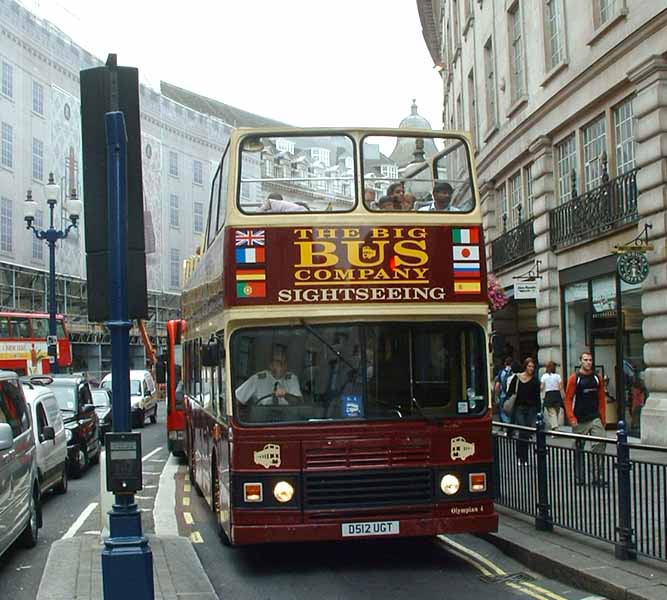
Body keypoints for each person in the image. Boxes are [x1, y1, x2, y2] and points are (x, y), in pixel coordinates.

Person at [564, 351, 607, 486]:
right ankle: (579, 477)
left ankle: (597, 476)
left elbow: (601, 399)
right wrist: (571, 417)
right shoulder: (574, 378)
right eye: (585, 360)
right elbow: (568, 399)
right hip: (579, 419)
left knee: (599, 444)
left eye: (590, 360)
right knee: (579, 448)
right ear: (581, 362)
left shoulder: (597, 378)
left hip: (594, 417)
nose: (588, 362)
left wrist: (603, 418)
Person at [235, 346, 302, 406]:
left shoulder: (291, 378)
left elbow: (299, 402)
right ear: (270, 364)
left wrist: (287, 396)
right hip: (261, 417)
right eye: (278, 362)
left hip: (286, 417)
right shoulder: (257, 379)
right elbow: (237, 399)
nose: (282, 365)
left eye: (284, 362)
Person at [507, 357, 540, 466]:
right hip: (519, 408)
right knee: (522, 431)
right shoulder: (517, 378)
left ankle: (525, 457)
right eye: (529, 366)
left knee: (527, 433)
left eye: (533, 367)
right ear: (525, 366)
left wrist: (538, 411)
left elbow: (537, 397)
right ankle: (520, 456)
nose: (531, 368)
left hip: (531, 409)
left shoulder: (535, 381)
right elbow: (510, 392)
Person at [540, 361, 564, 431]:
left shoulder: (544, 376)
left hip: (549, 394)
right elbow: (561, 387)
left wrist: (540, 392)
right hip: (557, 394)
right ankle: (555, 427)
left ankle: (554, 427)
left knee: (551, 413)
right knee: (556, 412)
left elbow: (541, 387)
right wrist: (563, 395)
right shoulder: (558, 376)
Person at [493, 356, 514, 424]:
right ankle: (510, 423)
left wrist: (496, 396)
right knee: (511, 409)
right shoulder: (514, 372)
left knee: (502, 410)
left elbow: (497, 385)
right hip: (511, 395)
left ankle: (505, 424)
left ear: (505, 363)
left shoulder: (501, 372)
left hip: (502, 394)